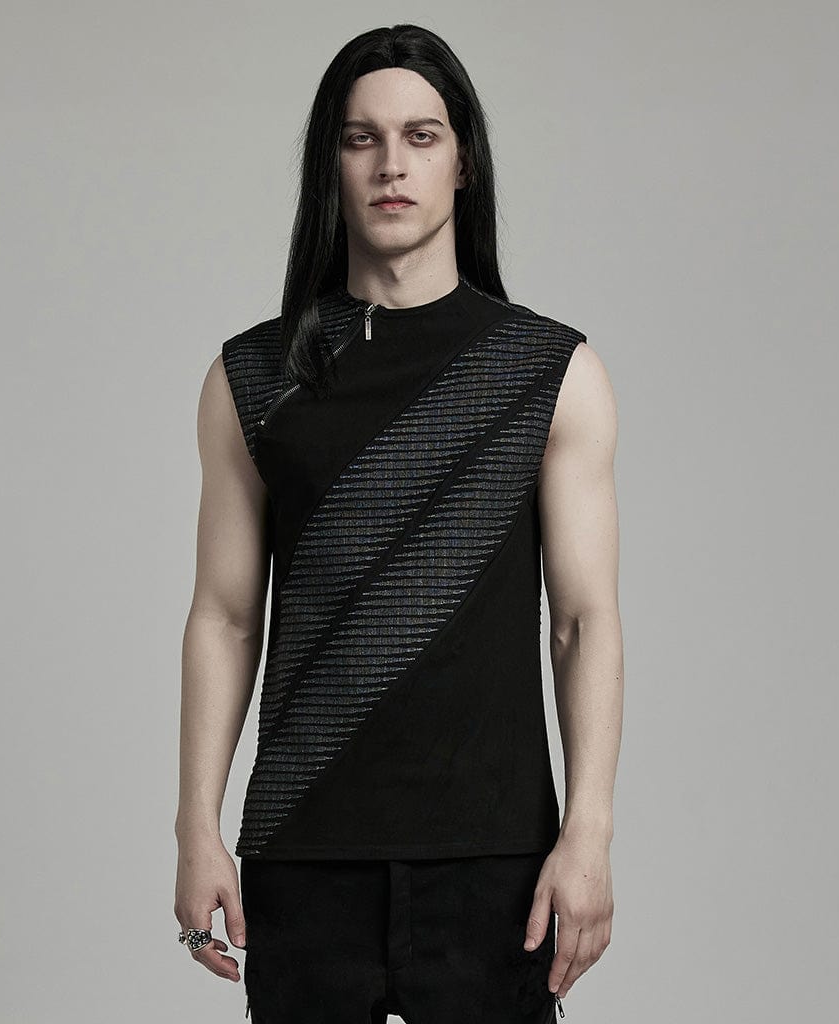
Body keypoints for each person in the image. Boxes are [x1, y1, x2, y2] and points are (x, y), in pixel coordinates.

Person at [174, 23, 623, 1024]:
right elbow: (224, 617)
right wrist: (195, 828)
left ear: (463, 161)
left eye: (421, 135)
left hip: (496, 862)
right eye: (360, 138)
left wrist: (588, 834)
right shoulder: (253, 378)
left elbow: (581, 622)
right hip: (303, 854)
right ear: (329, 165)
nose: (391, 164)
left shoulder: (550, 372)